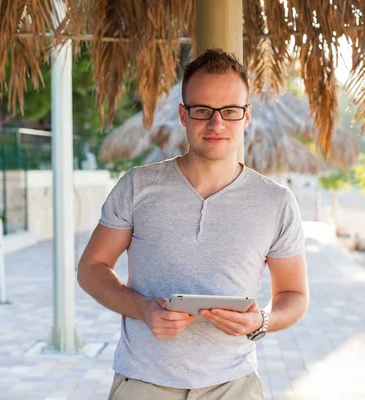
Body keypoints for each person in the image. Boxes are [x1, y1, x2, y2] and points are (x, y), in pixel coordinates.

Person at [77, 48, 309, 400]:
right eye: (203, 111)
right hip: (143, 382)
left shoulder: (276, 202)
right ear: (184, 115)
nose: (217, 124)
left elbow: (294, 296)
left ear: (246, 116)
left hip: (234, 386)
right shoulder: (138, 186)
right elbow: (91, 269)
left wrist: (260, 321)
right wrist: (142, 309)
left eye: (230, 111)